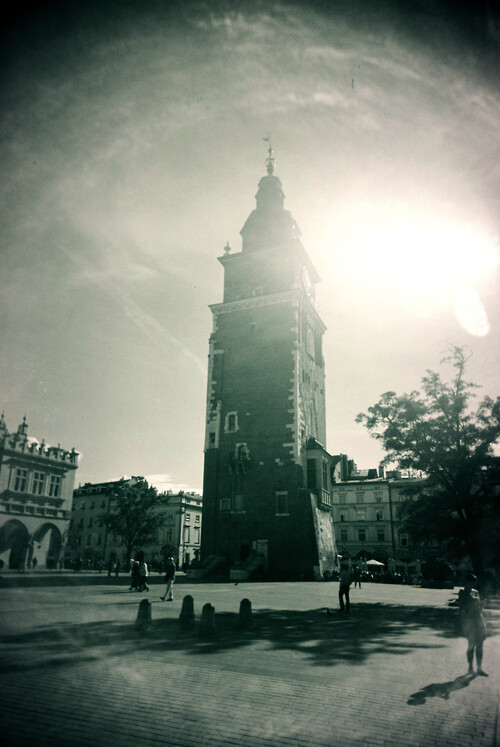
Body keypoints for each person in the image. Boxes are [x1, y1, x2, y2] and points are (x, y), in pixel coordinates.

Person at [454, 573, 488, 676]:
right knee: (471, 645)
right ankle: (470, 667)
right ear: (467, 582)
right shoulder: (463, 592)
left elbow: (478, 608)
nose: (473, 585)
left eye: (474, 583)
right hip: (469, 621)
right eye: (471, 583)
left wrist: (481, 605)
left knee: (480, 645)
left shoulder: (476, 592)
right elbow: (462, 608)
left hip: (479, 619)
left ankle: (479, 668)